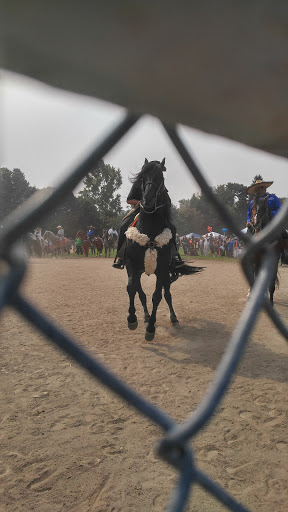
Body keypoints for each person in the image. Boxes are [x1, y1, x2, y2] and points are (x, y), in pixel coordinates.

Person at [113, 159, 184, 269]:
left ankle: (174, 256)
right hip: (139, 211)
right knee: (123, 226)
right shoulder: (138, 184)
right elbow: (129, 200)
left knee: (172, 228)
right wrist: (138, 202)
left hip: (157, 213)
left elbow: (168, 202)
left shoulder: (159, 186)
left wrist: (162, 204)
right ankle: (121, 258)